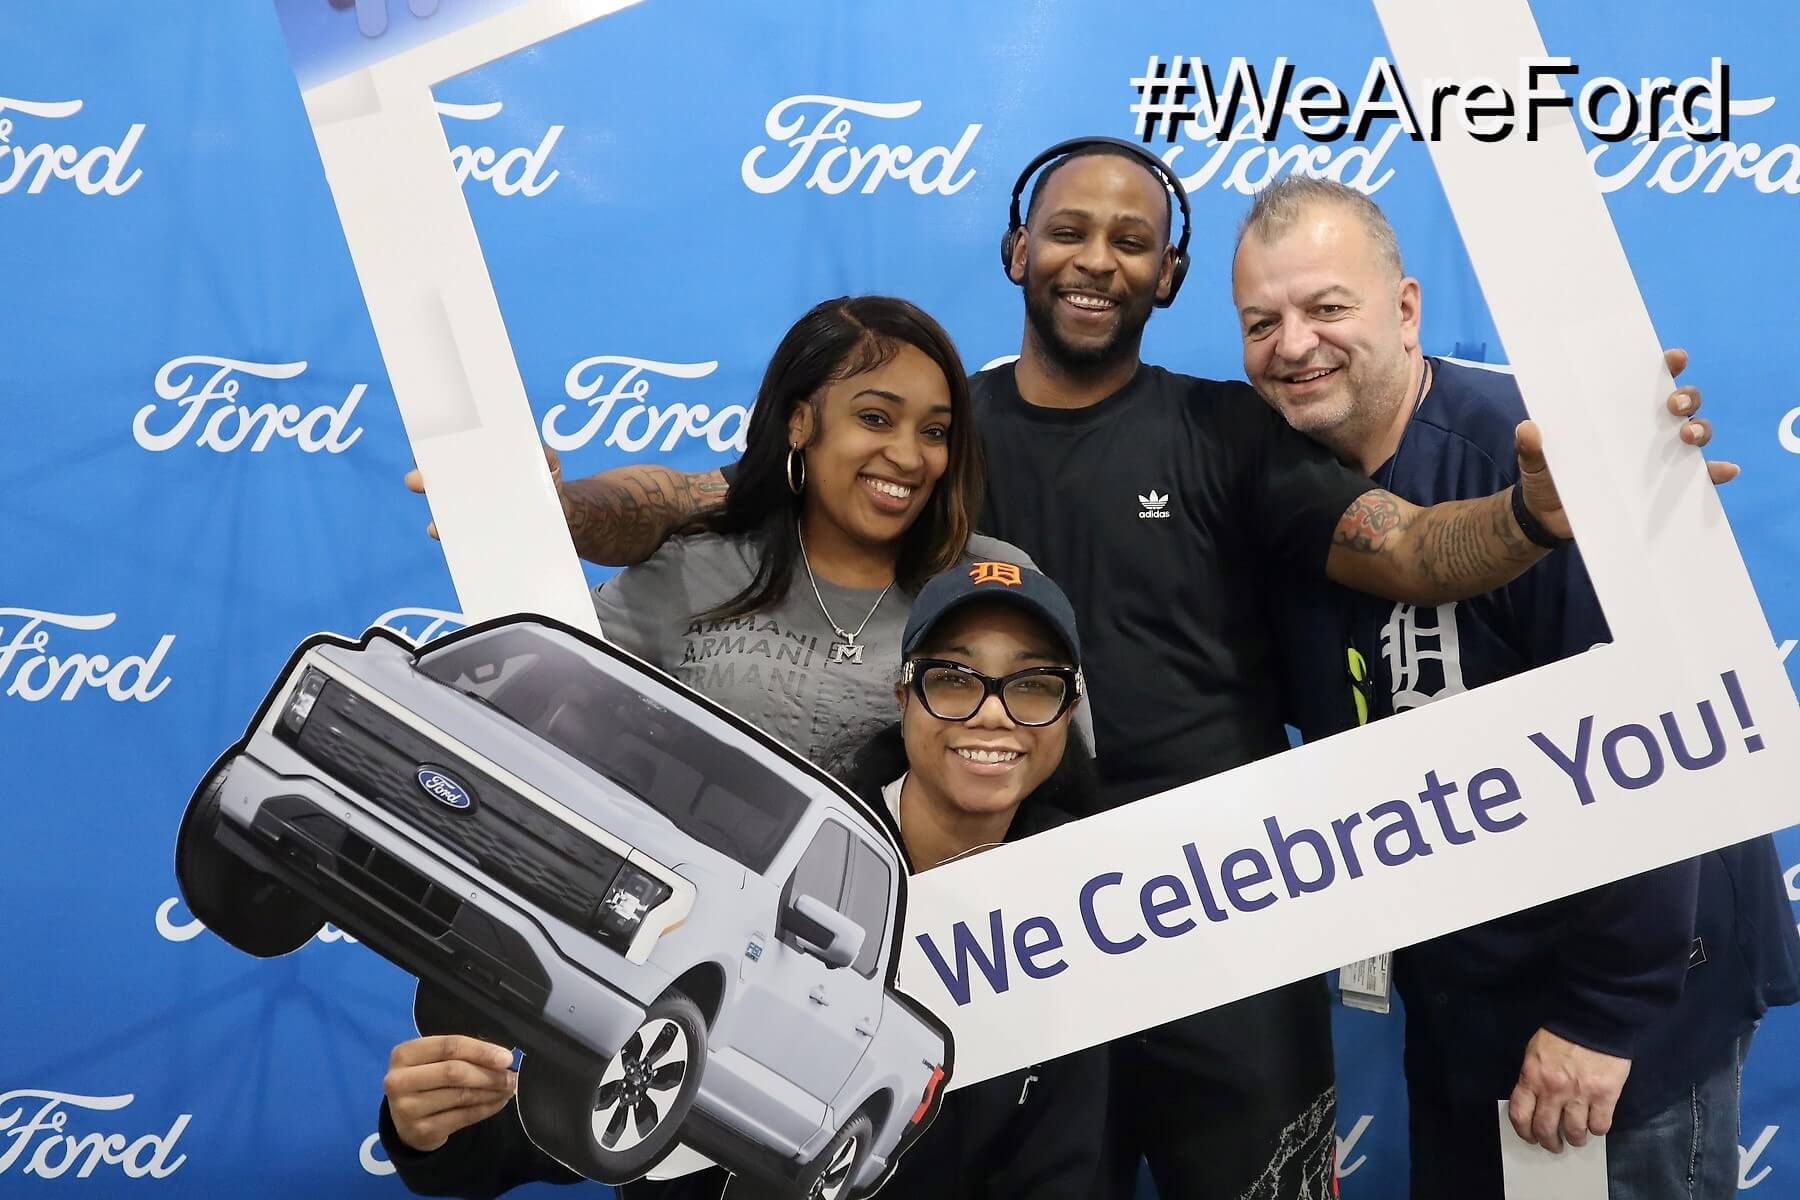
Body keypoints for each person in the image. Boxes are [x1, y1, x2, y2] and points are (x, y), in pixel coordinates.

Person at [409, 140, 1726, 1200]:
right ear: (1017, 250)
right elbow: (726, 498)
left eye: (1133, 240)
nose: (1097, 257)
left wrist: (1544, 519)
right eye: (1071, 230)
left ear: (1167, 278)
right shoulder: (939, 431)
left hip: (1233, 925)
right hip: (1008, 940)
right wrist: (553, 512)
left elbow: (1419, 550)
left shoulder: (1230, 429)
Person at [1232, 173, 1800, 1199]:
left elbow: (1662, 729)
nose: (1293, 344)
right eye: (1260, 321)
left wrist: (1604, 1011)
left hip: (1630, 995)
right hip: (1468, 999)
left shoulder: (1533, 457)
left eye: (1325, 308)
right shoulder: (1288, 495)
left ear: (1405, 309)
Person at [376, 561, 1110, 1200]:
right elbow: (583, 1083)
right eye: (952, 677)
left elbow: (1059, 1171)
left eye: (1033, 684)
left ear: (1069, 709)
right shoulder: (749, 848)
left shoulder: (1092, 913)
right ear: (903, 695)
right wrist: (437, 1128)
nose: (991, 711)